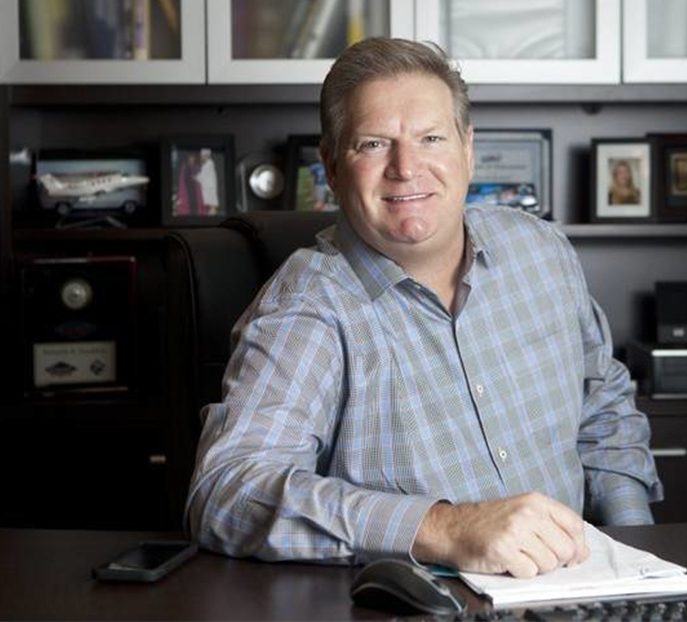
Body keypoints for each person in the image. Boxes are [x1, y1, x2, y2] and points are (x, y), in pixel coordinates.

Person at [185, 37, 662, 579]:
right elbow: (227, 491)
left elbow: (603, 409)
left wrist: (635, 552)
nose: (406, 167)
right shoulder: (308, 306)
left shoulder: (541, 251)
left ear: (467, 149)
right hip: (417, 604)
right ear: (332, 167)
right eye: (373, 144)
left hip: (584, 591)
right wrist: (444, 529)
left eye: (431, 138)